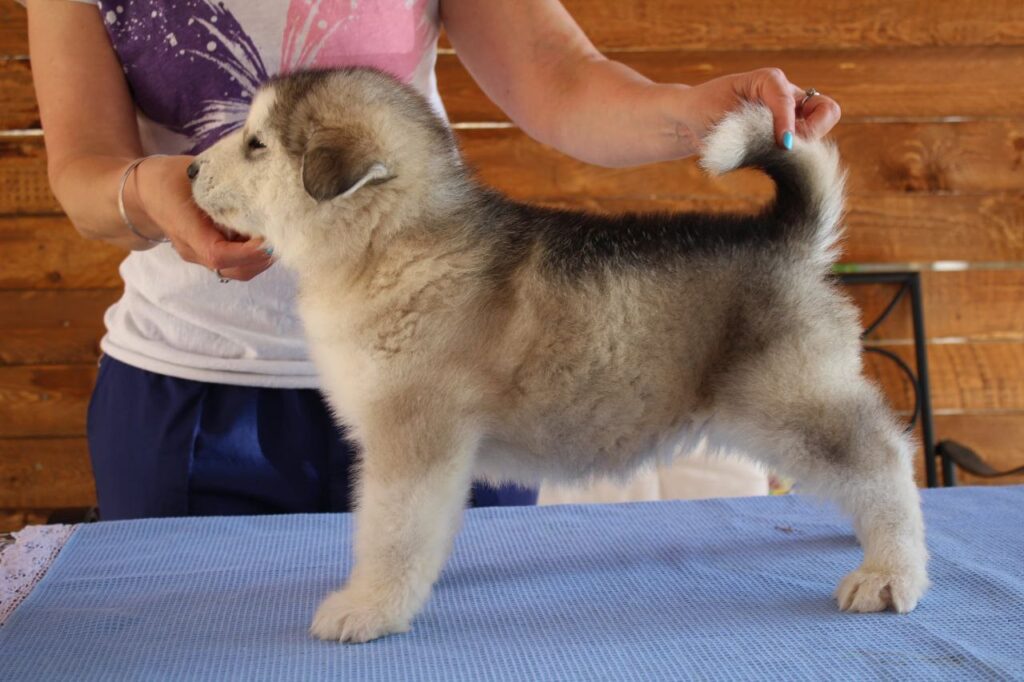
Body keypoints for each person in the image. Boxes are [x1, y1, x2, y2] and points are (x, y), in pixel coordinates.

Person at [25, 0, 841, 520]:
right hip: (194, 398)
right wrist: (149, 192)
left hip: (452, 372)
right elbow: (83, 169)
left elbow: (560, 79)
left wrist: (689, 114)